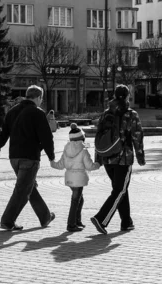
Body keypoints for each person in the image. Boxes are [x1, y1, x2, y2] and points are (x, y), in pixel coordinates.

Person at [0, 85, 56, 231]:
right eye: (42, 99)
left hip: (14, 157)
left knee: (28, 187)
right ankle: (7, 221)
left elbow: (3, 134)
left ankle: (45, 216)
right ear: (39, 97)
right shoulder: (37, 113)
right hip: (30, 157)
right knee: (22, 190)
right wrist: (51, 157)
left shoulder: (12, 111)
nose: (41, 101)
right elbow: (46, 137)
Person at [90, 84, 145, 235]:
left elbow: (99, 136)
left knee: (120, 189)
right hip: (123, 158)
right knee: (120, 190)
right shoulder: (130, 114)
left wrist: (99, 158)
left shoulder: (106, 113)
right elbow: (137, 136)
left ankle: (126, 222)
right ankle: (101, 218)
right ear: (128, 96)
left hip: (108, 157)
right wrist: (140, 156)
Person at [50, 123, 101, 232]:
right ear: (82, 138)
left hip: (69, 178)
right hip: (79, 178)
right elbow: (89, 166)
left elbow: (60, 165)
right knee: (75, 201)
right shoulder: (83, 150)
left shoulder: (66, 149)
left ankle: (77, 221)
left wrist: (52, 163)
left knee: (79, 199)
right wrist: (98, 164)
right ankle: (71, 224)